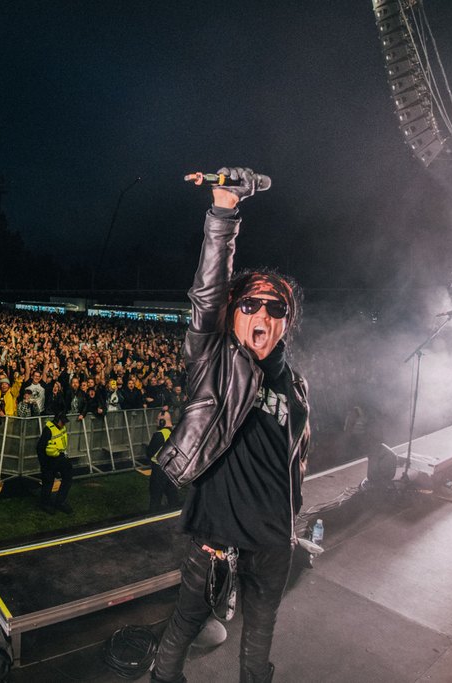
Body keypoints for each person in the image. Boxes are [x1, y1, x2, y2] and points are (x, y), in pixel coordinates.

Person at [151, 168, 310, 683]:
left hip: (273, 542)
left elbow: (295, 461)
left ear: (285, 321)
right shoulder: (214, 361)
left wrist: (291, 525)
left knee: (259, 637)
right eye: (249, 303)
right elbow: (206, 293)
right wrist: (224, 211)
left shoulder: (296, 386)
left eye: (275, 306)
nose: (261, 312)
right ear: (233, 314)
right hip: (214, 536)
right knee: (187, 620)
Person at [36, 412, 74, 514]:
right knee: (48, 482)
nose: (64, 424)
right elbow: (40, 448)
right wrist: (43, 464)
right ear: (57, 421)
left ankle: (60, 501)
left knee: (68, 476)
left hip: (60, 456)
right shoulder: (48, 429)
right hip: (49, 459)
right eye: (63, 422)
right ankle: (45, 503)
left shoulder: (62, 427)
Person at [147, 409, 179, 512]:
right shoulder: (175, 433)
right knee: (172, 497)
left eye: (157, 420)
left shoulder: (159, 435)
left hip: (159, 470)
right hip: (172, 469)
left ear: (162, 422)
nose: (156, 421)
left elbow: (149, 452)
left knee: (155, 498)